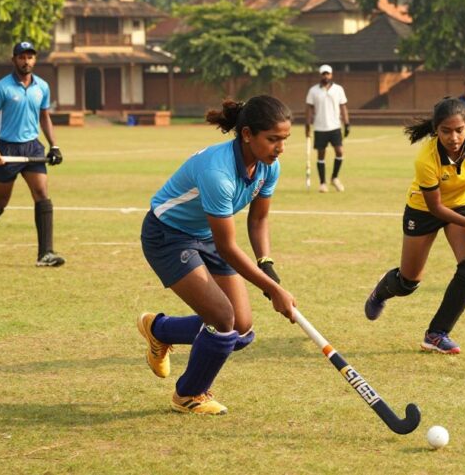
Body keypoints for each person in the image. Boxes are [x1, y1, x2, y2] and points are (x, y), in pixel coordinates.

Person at [136, 96, 298, 415]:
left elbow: (258, 219)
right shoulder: (218, 173)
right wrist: (273, 289)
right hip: (168, 235)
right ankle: (189, 394)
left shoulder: (269, 167)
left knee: (241, 327)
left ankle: (159, 329)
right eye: (273, 139)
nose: (280, 148)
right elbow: (227, 247)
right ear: (248, 134)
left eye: (285, 140)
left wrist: (266, 262)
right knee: (224, 319)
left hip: (205, 234)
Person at [363, 97, 465, 354]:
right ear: (436, 130)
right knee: (408, 282)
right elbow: (437, 208)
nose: (453, 137)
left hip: (463, 203)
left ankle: (437, 333)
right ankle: (382, 290)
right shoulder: (426, 159)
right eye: (446, 131)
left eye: (459, 130)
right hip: (424, 209)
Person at [0, 41, 65, 267]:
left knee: (42, 194)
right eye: (21, 57)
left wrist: (54, 145)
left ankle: (45, 254)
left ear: (35, 59)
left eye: (30, 57)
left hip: (32, 147)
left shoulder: (42, 86)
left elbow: (44, 117)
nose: (26, 61)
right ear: (14, 59)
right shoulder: (1, 88)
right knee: (1, 201)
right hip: (7, 148)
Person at [305, 64, 349, 192]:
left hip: (335, 126)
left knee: (340, 152)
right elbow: (309, 109)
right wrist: (307, 125)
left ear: (331, 75)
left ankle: (334, 178)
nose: (326, 76)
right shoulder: (313, 91)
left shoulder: (338, 89)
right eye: (323, 74)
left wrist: (347, 123)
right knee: (321, 155)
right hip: (319, 127)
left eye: (328, 73)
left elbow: (343, 107)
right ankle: (322, 183)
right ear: (320, 75)